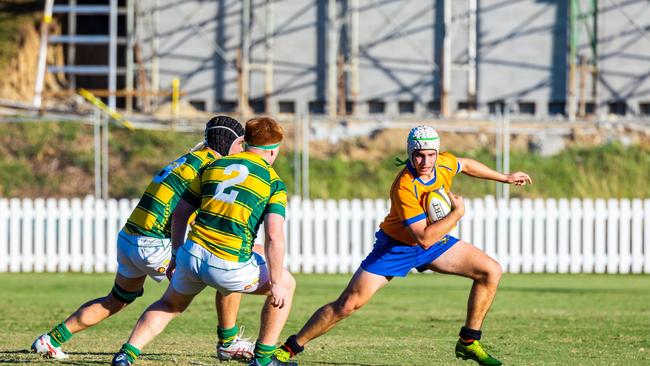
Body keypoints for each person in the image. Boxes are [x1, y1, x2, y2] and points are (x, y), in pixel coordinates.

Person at [274, 125, 532, 366]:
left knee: (491, 271)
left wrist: (505, 178)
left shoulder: (442, 163)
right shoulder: (404, 186)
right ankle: (288, 350)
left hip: (432, 242)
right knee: (348, 304)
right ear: (410, 153)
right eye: (419, 155)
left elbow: (465, 164)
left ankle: (468, 341)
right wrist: (457, 213)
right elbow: (424, 238)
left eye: (431, 155)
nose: (426, 162)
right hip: (396, 247)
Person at [31, 116, 254, 361]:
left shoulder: (189, 158)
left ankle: (51, 339)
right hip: (155, 242)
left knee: (116, 299)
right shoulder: (213, 167)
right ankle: (228, 341)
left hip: (129, 238)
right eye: (240, 142)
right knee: (229, 268)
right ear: (227, 141)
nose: (242, 149)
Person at [111, 116, 297, 366]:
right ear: (273, 150)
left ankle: (126, 354)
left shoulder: (214, 167)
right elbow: (275, 235)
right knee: (286, 283)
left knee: (169, 304)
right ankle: (263, 359)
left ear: (245, 143)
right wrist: (275, 282)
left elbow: (180, 213)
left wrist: (175, 256)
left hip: (192, 257)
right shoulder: (273, 182)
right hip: (228, 267)